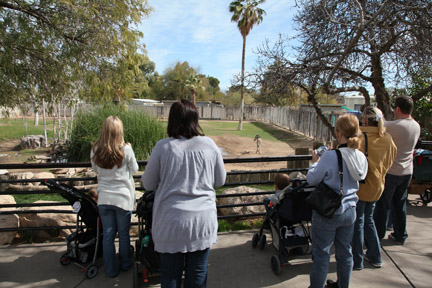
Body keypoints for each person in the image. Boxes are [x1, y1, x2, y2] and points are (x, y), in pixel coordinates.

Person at [141, 99, 226, 288]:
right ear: (195, 119)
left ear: (172, 120)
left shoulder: (163, 147)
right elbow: (220, 180)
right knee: (197, 271)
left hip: (171, 222)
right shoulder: (209, 145)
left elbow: (148, 183)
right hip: (202, 222)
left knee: (170, 273)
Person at [307, 113, 368, 288]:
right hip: (350, 210)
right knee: (345, 252)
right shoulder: (360, 156)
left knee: (321, 254)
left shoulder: (332, 156)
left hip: (329, 211)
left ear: (339, 132)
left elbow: (312, 179)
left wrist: (314, 163)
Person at [90, 116, 138, 278]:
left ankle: (110, 270)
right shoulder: (126, 150)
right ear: (120, 131)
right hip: (123, 199)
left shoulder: (95, 150)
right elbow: (135, 169)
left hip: (104, 199)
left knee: (108, 236)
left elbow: (96, 170)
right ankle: (125, 264)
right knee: (124, 234)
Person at [352, 107, 396, 270]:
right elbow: (390, 159)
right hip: (377, 185)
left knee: (358, 222)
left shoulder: (359, 138)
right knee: (368, 219)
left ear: (364, 119)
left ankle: (357, 260)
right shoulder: (387, 138)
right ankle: (375, 256)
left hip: (361, 186)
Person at [374, 96, 421, 245]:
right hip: (407, 170)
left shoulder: (394, 126)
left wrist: (378, 115)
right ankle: (400, 234)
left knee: (383, 205)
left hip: (392, 171)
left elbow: (378, 128)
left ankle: (377, 235)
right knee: (400, 204)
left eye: (394, 108)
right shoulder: (416, 126)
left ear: (398, 109)